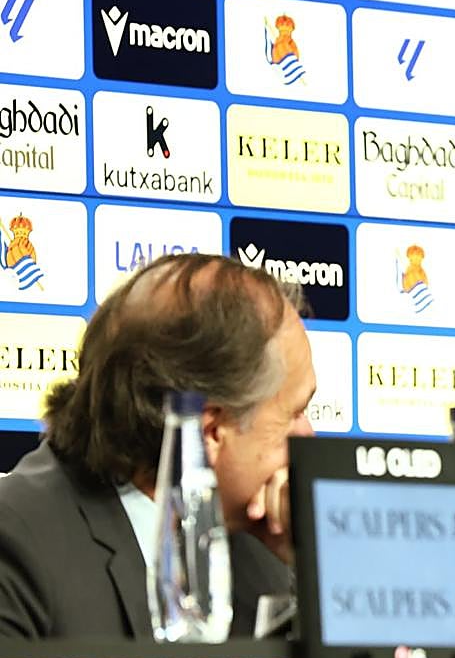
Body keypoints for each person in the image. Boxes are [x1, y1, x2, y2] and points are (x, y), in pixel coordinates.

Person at [0, 252, 317, 638]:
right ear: (209, 432)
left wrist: (315, 570)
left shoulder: (274, 545)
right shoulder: (16, 544)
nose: (309, 436)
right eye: (295, 413)